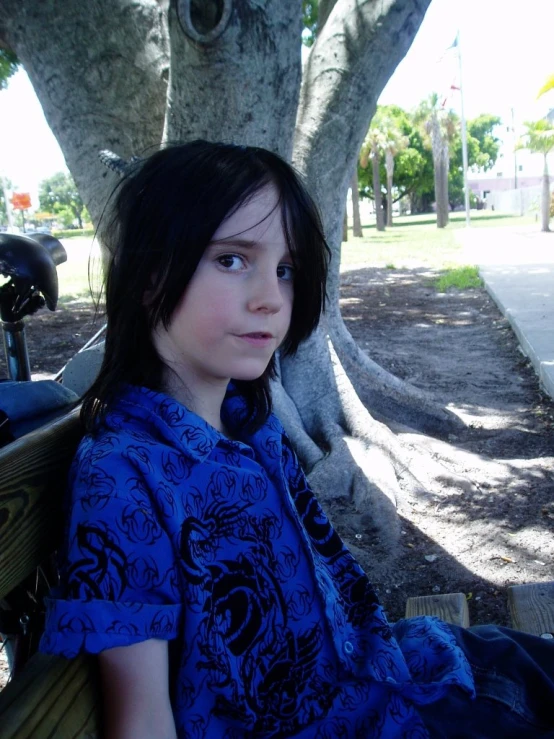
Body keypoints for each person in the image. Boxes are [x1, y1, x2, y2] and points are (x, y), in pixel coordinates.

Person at [40, 141, 554, 738]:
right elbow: (141, 719)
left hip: (394, 672)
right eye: (232, 259)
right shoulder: (124, 475)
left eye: (284, 269)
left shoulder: (249, 422)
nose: (271, 297)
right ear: (152, 276)